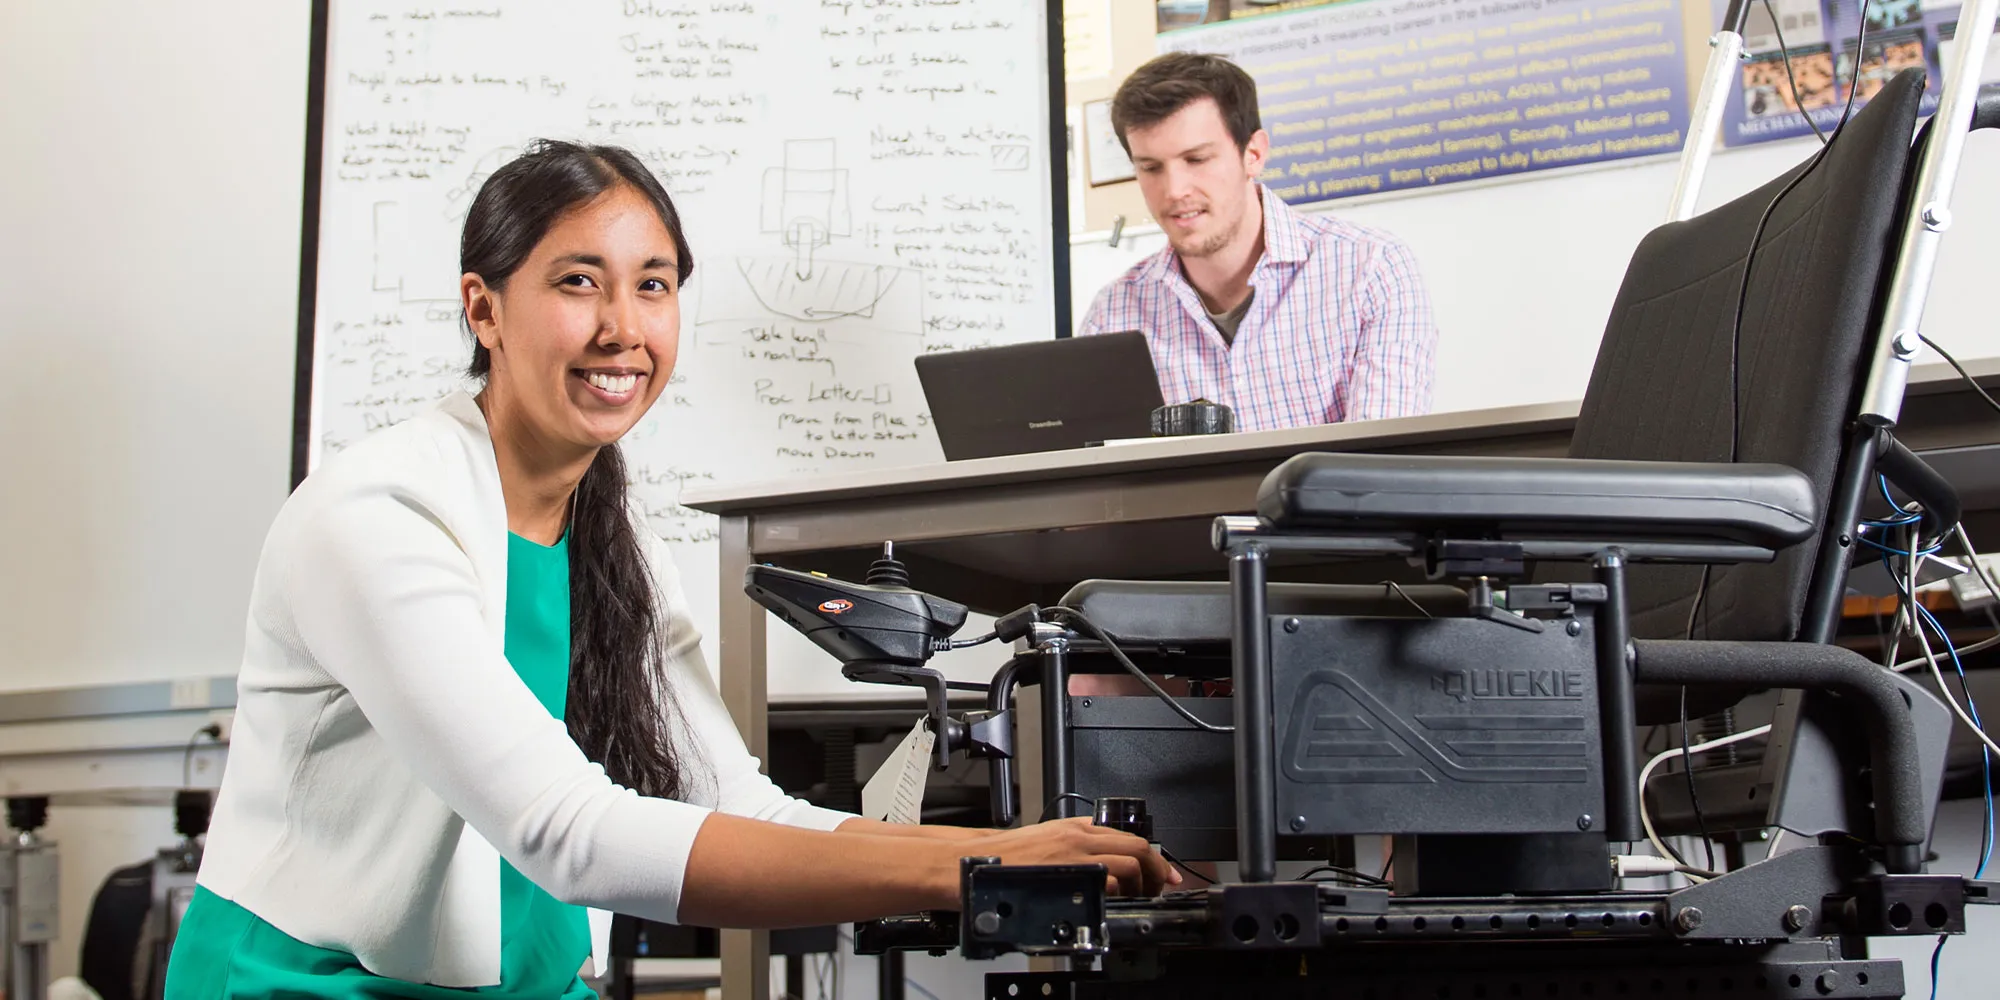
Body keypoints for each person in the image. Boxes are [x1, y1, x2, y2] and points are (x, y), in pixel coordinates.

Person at [164, 141, 1174, 998]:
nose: (622, 328)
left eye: (652, 285)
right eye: (576, 281)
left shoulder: (619, 551)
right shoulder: (377, 512)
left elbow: (744, 808)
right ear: (484, 310)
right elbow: (567, 830)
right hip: (307, 980)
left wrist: (1008, 858)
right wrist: (971, 866)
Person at [1078, 52, 1439, 430]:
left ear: (1253, 154)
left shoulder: (1372, 269)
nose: (1174, 190)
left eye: (1197, 159)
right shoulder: (1113, 316)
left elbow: (1380, 469)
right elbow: (1103, 481)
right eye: (1151, 168)